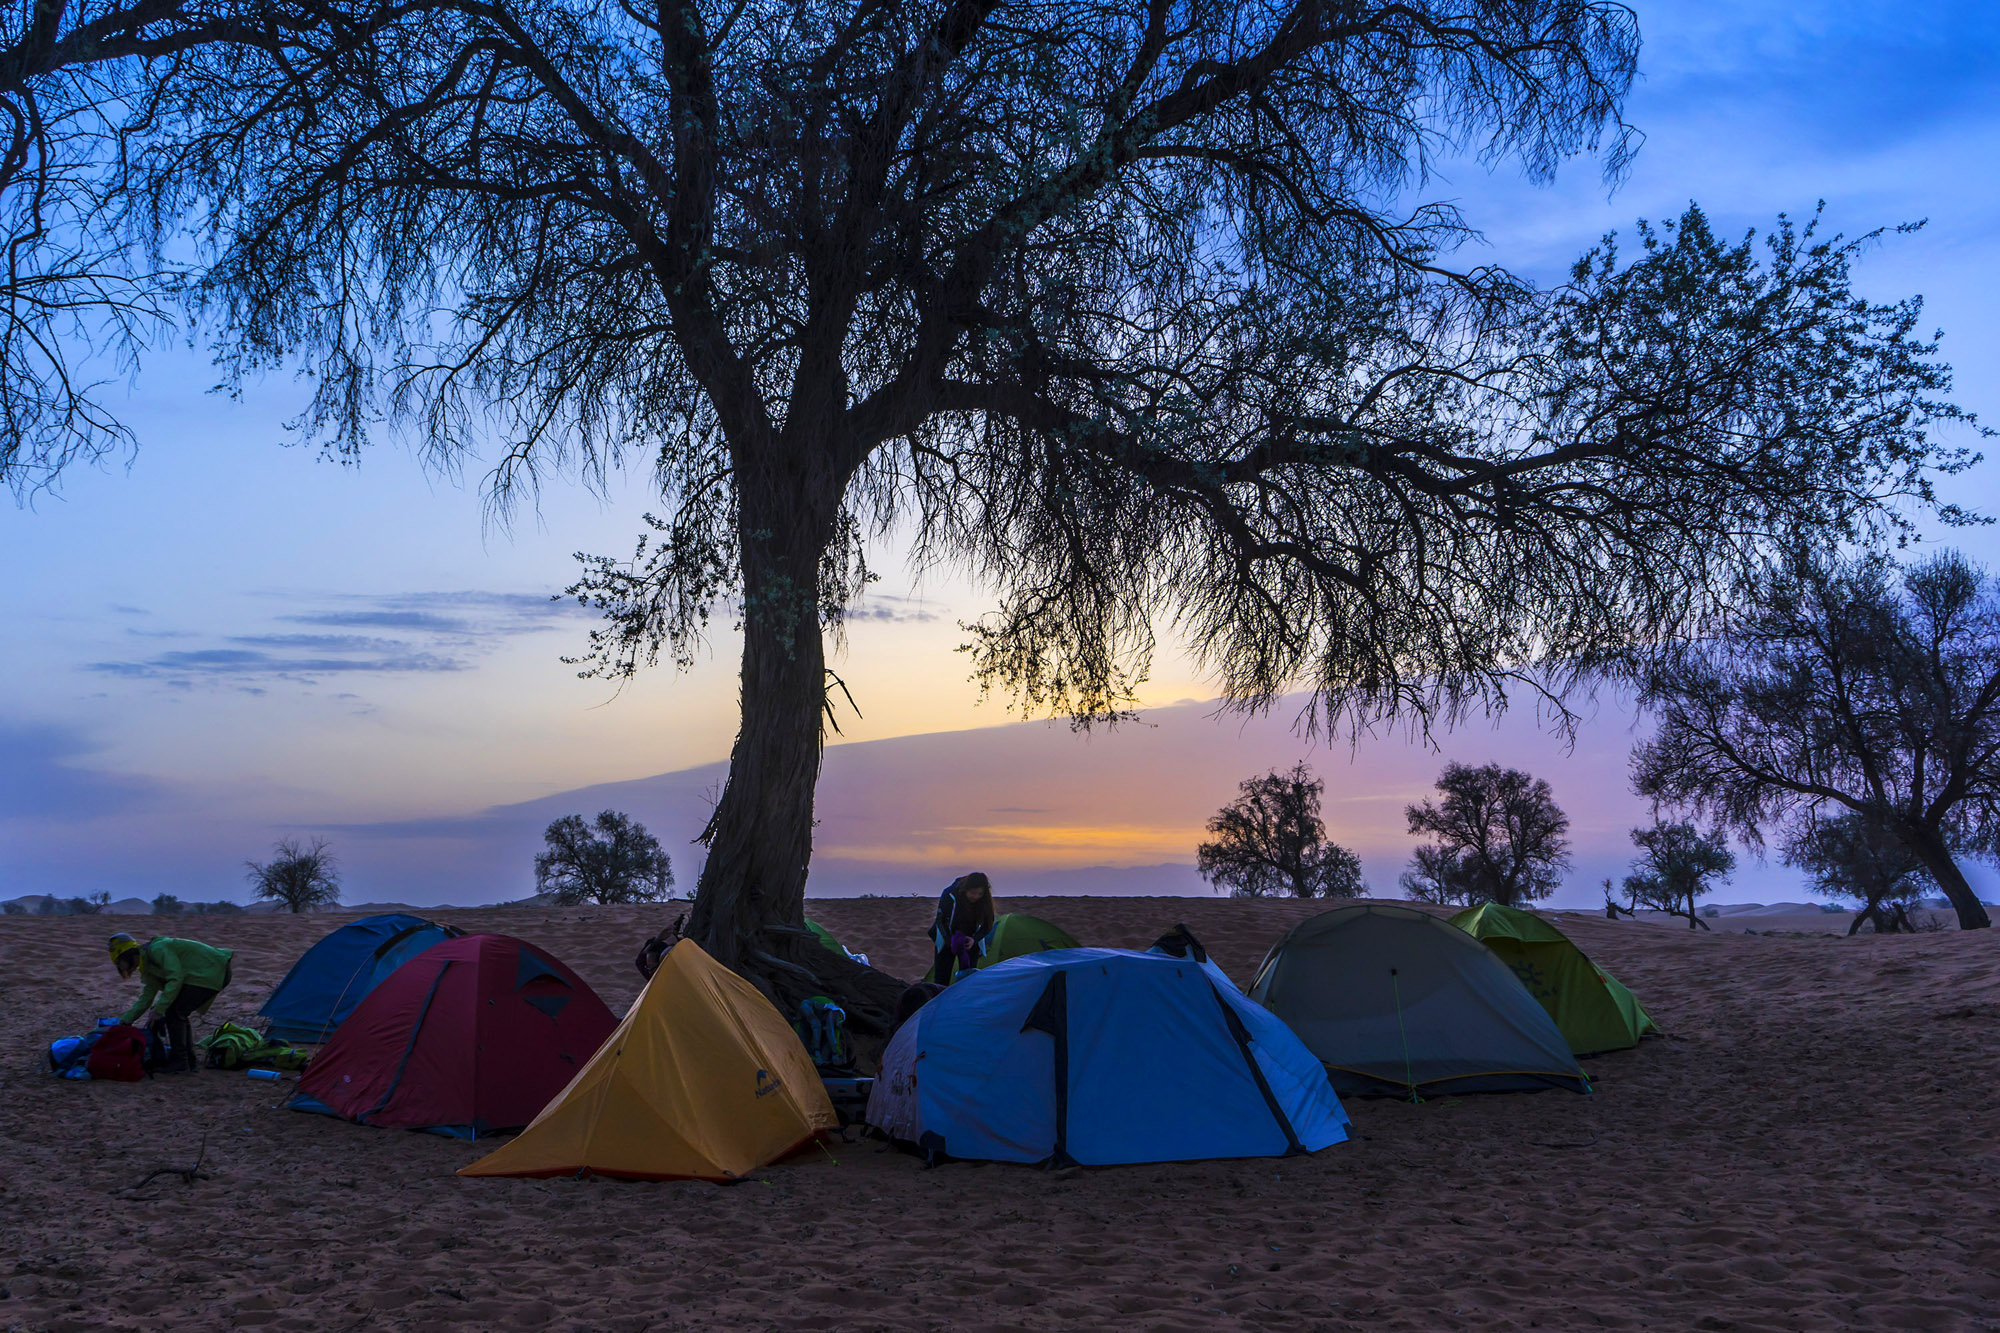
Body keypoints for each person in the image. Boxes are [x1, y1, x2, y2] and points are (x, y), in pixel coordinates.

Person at [109, 933, 235, 1074]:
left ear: (127, 955)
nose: (121, 968)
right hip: (208, 972)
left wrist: (159, 1010)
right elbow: (146, 997)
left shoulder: (157, 950)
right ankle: (188, 1060)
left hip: (214, 969)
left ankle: (180, 1062)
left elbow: (175, 978)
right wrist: (126, 1020)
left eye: (120, 963)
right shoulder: (148, 966)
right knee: (177, 1012)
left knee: (174, 1012)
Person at [928, 872, 995, 985]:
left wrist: (974, 939)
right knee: (941, 977)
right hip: (947, 938)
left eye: (979, 894)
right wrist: (950, 941)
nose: (976, 897)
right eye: (973, 893)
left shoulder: (985, 900)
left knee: (968, 977)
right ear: (966, 889)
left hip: (970, 939)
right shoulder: (949, 893)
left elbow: (988, 924)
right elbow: (941, 920)